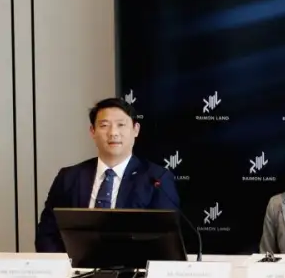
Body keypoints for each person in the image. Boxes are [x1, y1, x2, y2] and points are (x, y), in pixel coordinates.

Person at [35, 97, 179, 253]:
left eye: (121, 125)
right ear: (92, 131)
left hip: (134, 266)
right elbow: (47, 235)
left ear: (135, 130)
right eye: (104, 125)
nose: (113, 133)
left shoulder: (156, 179)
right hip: (74, 266)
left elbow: (165, 239)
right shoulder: (69, 177)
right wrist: (66, 264)